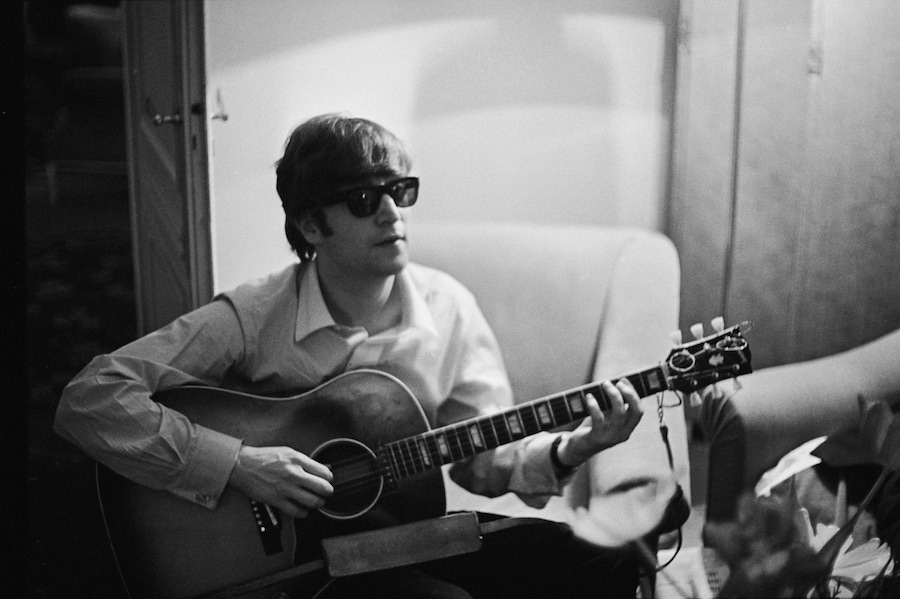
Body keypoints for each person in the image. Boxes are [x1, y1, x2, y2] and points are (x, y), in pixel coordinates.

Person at [55, 113, 646, 598]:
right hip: (300, 568)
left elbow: (483, 462)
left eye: (401, 191)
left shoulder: (448, 308)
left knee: (605, 562)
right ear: (312, 226)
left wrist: (576, 447)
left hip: (409, 537)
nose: (393, 214)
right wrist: (238, 465)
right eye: (365, 199)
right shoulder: (254, 315)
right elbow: (90, 399)